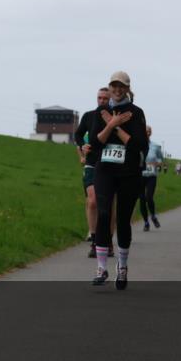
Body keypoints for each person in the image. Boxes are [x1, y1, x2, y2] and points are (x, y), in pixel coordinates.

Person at [89, 71, 148, 290]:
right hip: (104, 170)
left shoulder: (136, 112)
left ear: (127, 88)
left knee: (123, 219)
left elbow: (139, 145)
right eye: (113, 86)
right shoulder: (100, 111)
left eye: (121, 86)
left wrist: (117, 126)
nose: (117, 89)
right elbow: (96, 143)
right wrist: (110, 123)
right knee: (103, 214)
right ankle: (101, 267)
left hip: (129, 172)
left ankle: (122, 267)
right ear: (110, 87)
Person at [74, 87, 114, 258]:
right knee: (92, 201)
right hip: (91, 163)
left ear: (110, 99)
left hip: (110, 163)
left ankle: (109, 241)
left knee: (110, 205)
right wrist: (82, 146)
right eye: (99, 98)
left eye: (105, 98)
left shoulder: (115, 116)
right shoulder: (89, 116)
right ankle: (94, 239)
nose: (102, 101)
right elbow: (78, 134)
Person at [139, 126, 164, 231]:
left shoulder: (156, 146)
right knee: (141, 199)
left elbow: (161, 160)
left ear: (151, 133)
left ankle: (153, 216)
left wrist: (156, 163)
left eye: (149, 131)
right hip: (139, 176)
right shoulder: (137, 145)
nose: (147, 133)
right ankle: (146, 222)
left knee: (149, 197)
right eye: (145, 131)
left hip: (151, 176)